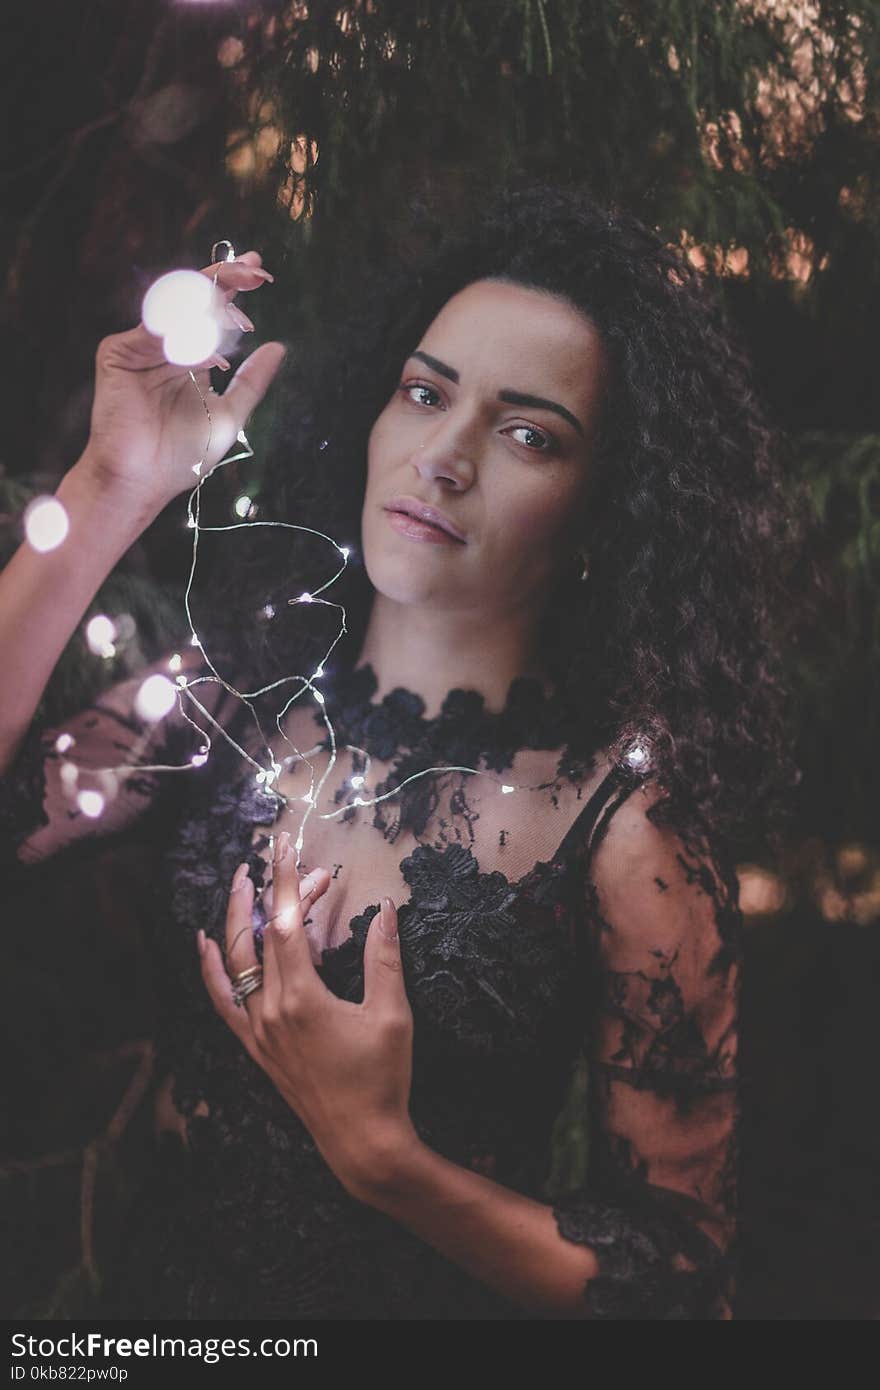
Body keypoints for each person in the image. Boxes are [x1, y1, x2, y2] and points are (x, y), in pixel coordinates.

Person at [0, 183, 804, 1320]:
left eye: (529, 433)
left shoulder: (626, 829)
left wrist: (388, 1163)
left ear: (605, 506)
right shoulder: (225, 698)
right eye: (425, 393)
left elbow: (681, 1274)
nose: (444, 455)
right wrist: (110, 483)